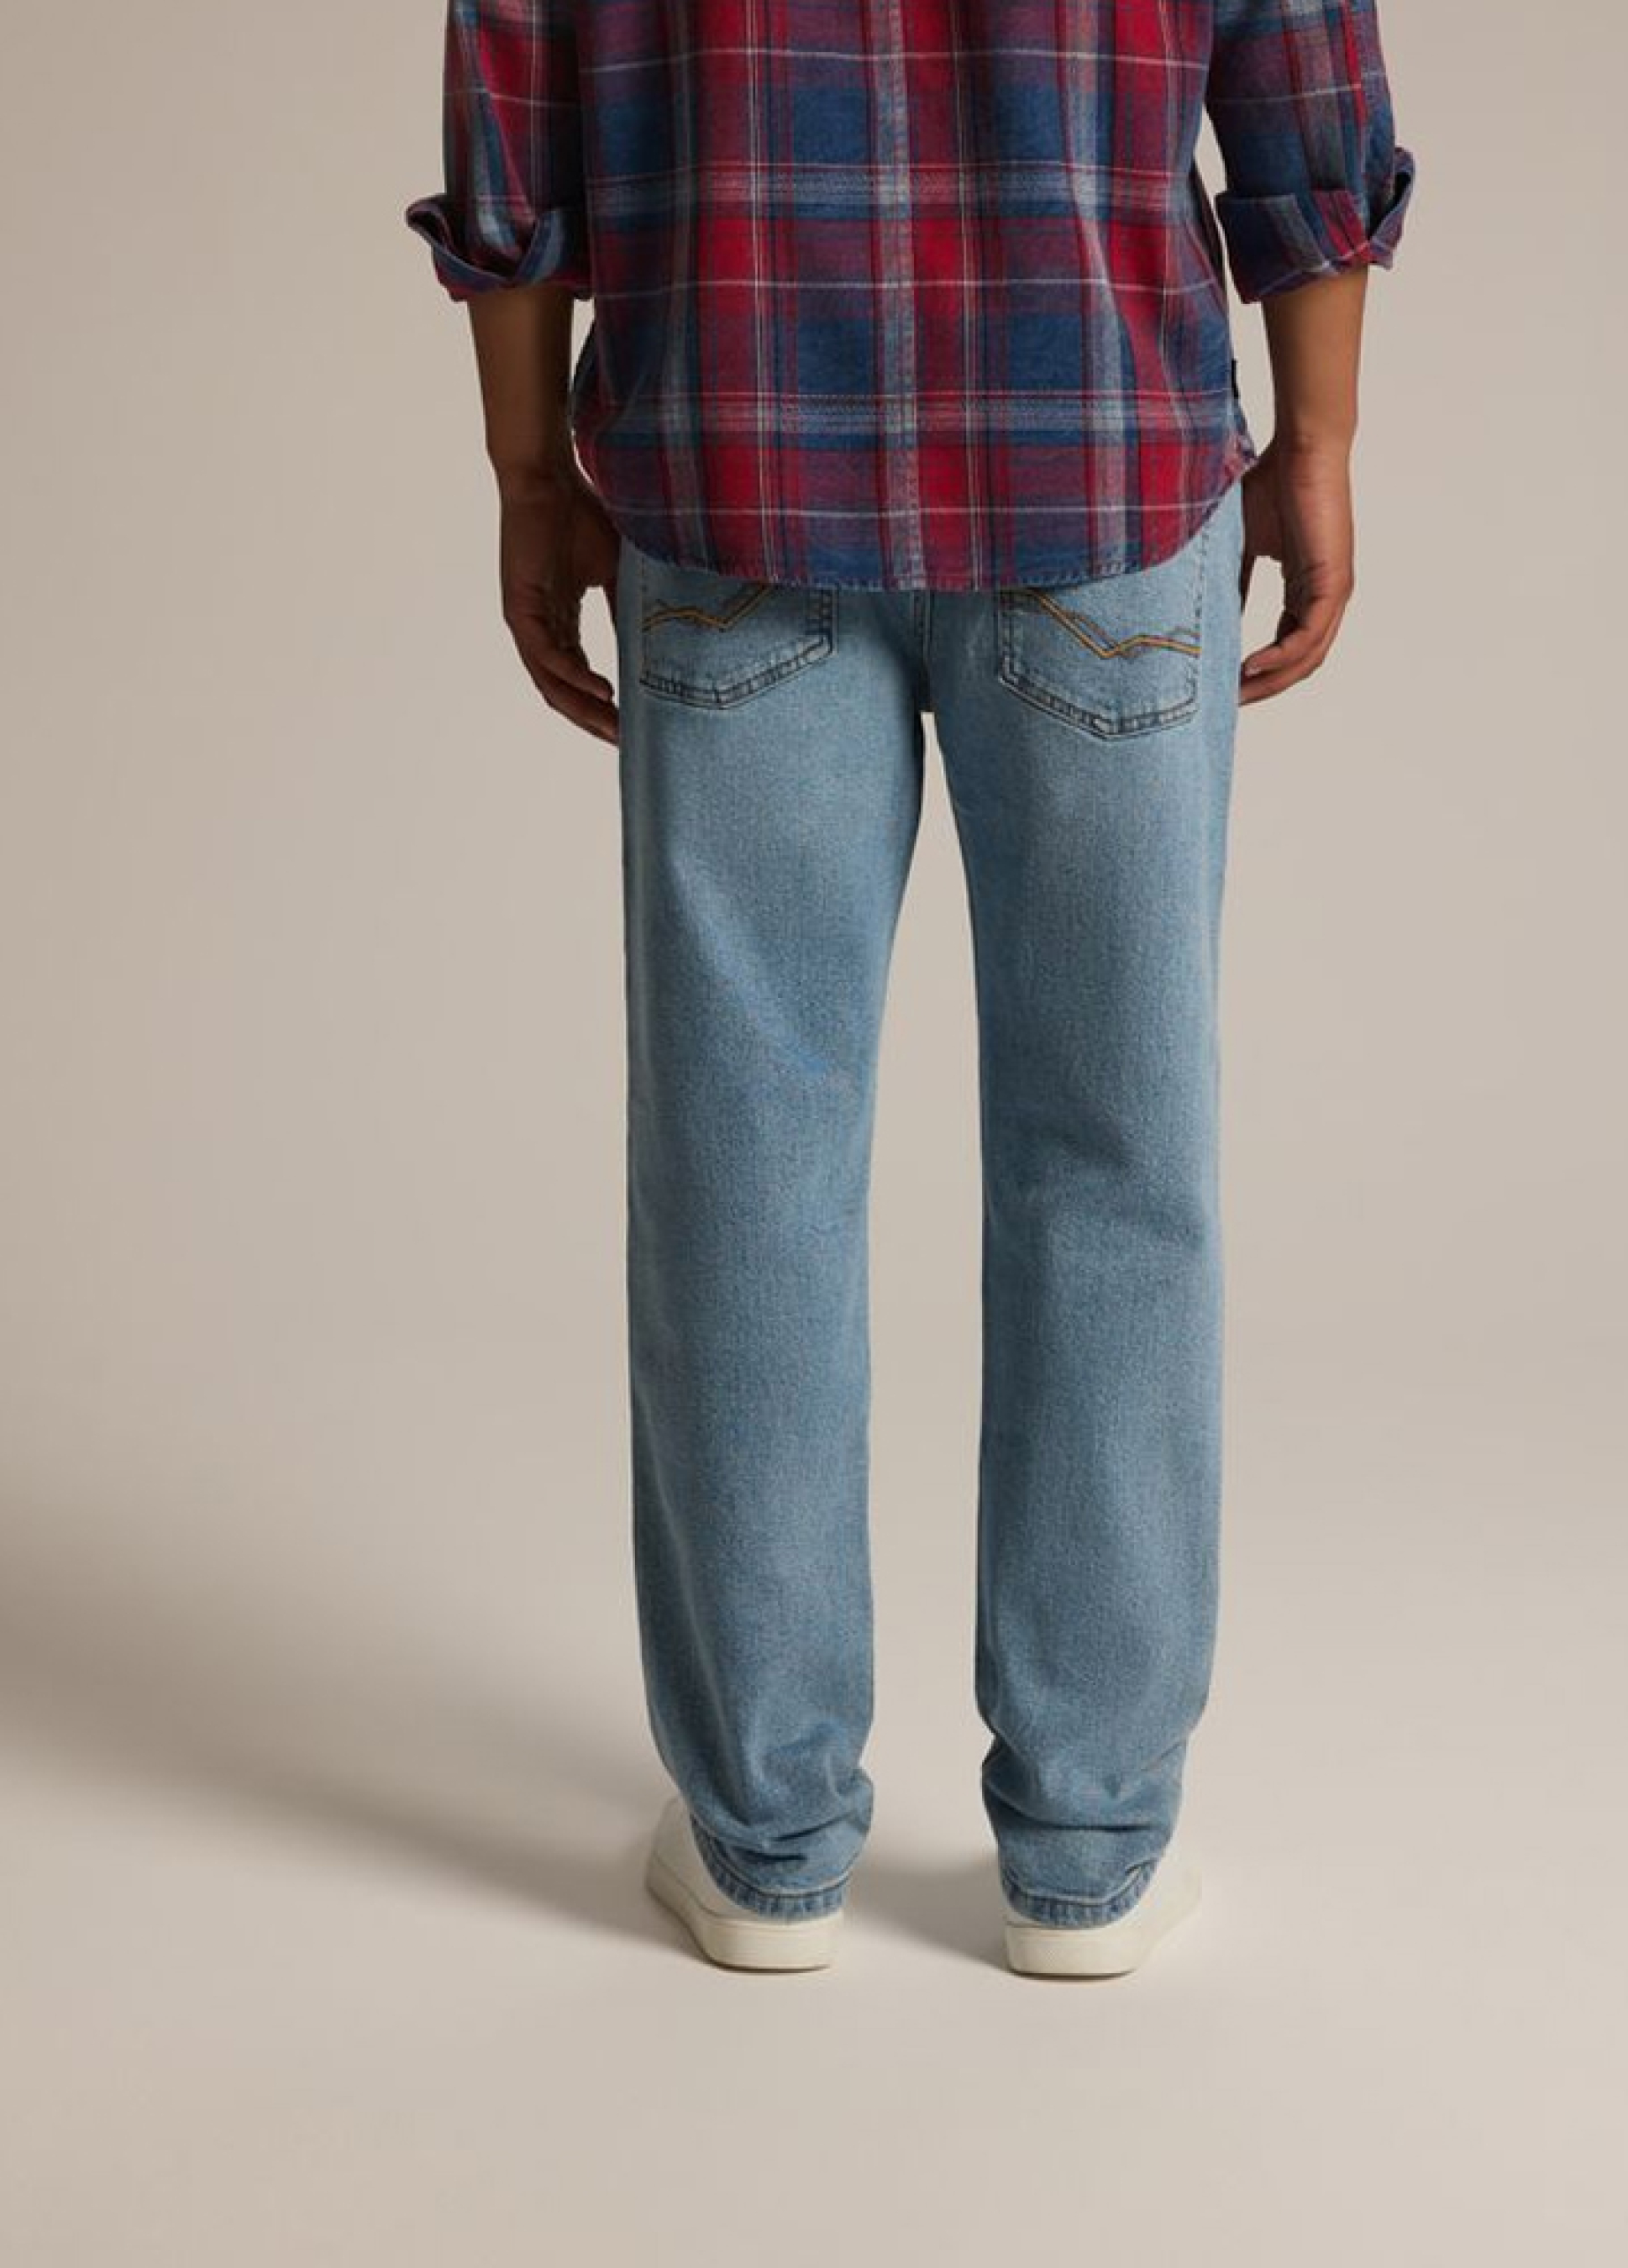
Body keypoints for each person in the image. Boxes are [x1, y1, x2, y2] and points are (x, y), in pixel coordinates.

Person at [404, 0, 1414, 1979]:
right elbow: (1303, 83)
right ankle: (1088, 1850)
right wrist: (1318, 439)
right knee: (1115, 1161)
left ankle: (762, 1846)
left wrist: (527, 467)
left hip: (729, 480)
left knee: (744, 1171)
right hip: (1102, 477)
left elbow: (513, 93)